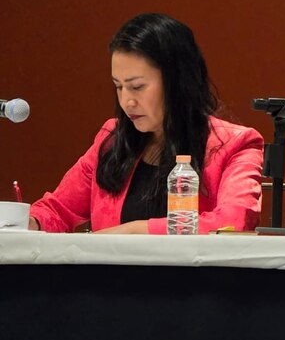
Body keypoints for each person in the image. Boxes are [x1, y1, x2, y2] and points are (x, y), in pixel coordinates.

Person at [29, 13, 264, 234]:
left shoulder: (234, 144)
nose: (126, 101)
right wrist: (27, 222)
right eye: (118, 86)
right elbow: (57, 210)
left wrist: (134, 231)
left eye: (137, 86)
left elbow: (234, 222)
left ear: (177, 82)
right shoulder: (112, 139)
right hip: (112, 278)